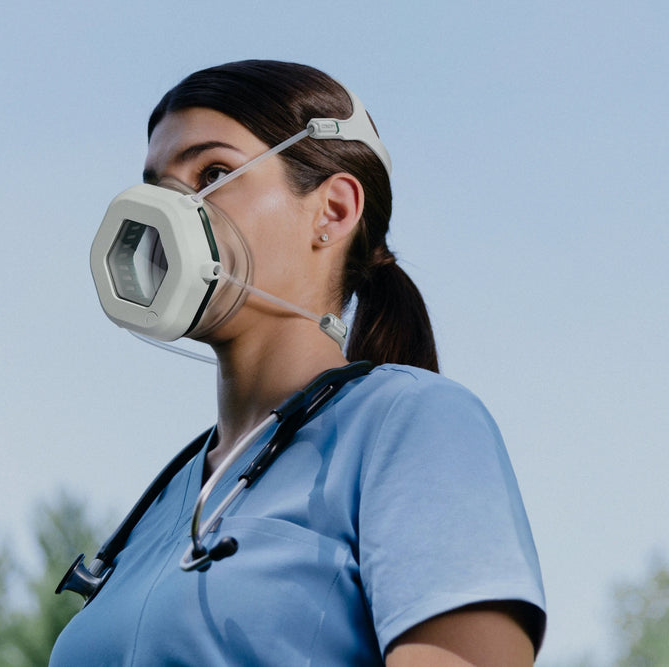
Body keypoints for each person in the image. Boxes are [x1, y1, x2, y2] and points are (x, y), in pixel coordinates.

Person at [50, 60, 546, 666]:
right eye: (158, 188)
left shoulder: (409, 420)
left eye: (214, 172)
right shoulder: (163, 502)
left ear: (333, 211)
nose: (168, 214)